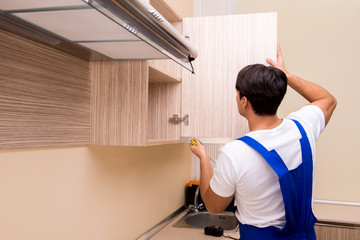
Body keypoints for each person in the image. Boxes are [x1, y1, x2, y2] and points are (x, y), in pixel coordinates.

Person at [190, 43, 337, 239]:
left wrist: (203, 158)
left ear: (244, 101)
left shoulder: (235, 152)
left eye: (237, 93)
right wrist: (286, 75)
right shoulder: (303, 127)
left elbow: (214, 206)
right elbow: (328, 99)